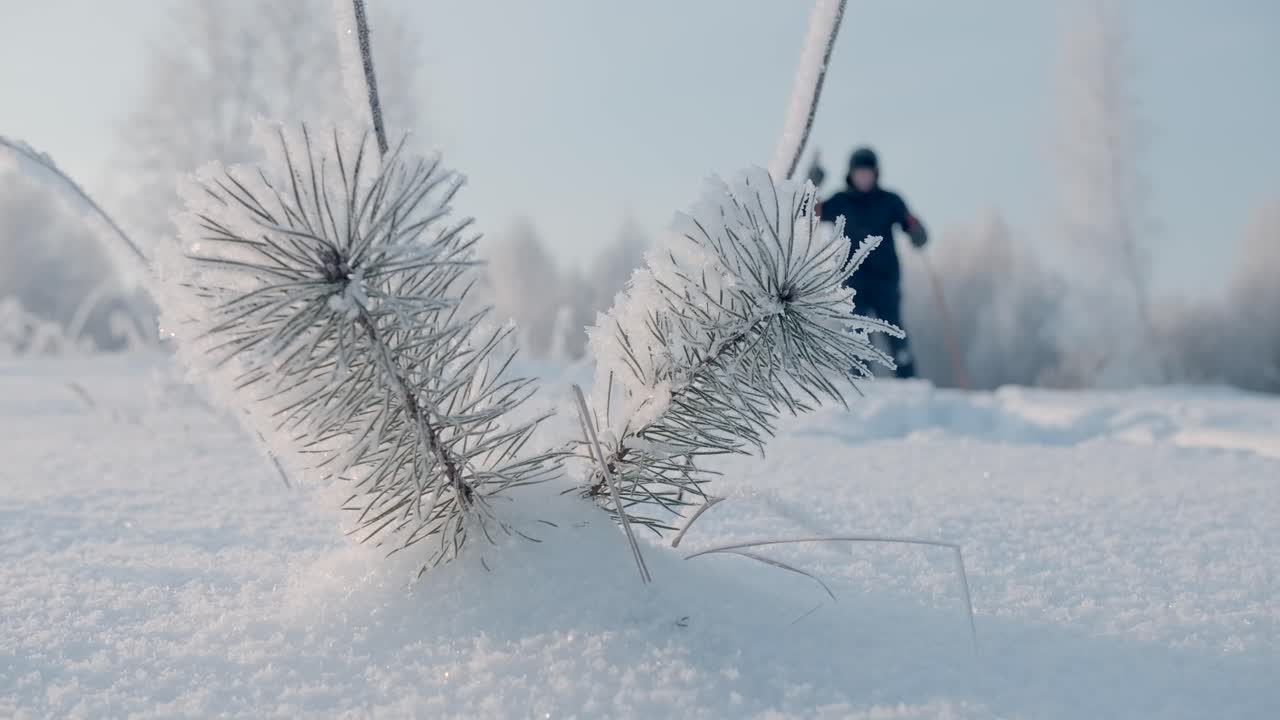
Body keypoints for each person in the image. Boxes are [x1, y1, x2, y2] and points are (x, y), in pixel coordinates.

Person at [817, 147, 928, 378]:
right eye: (859, 173)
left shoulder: (890, 201)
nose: (864, 177)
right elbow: (810, 212)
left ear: (876, 174)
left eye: (867, 172)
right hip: (854, 281)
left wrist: (917, 232)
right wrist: (813, 184)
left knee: (894, 331)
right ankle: (860, 381)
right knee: (857, 334)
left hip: (885, 279)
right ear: (851, 174)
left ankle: (909, 379)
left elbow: (910, 222)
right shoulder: (840, 201)